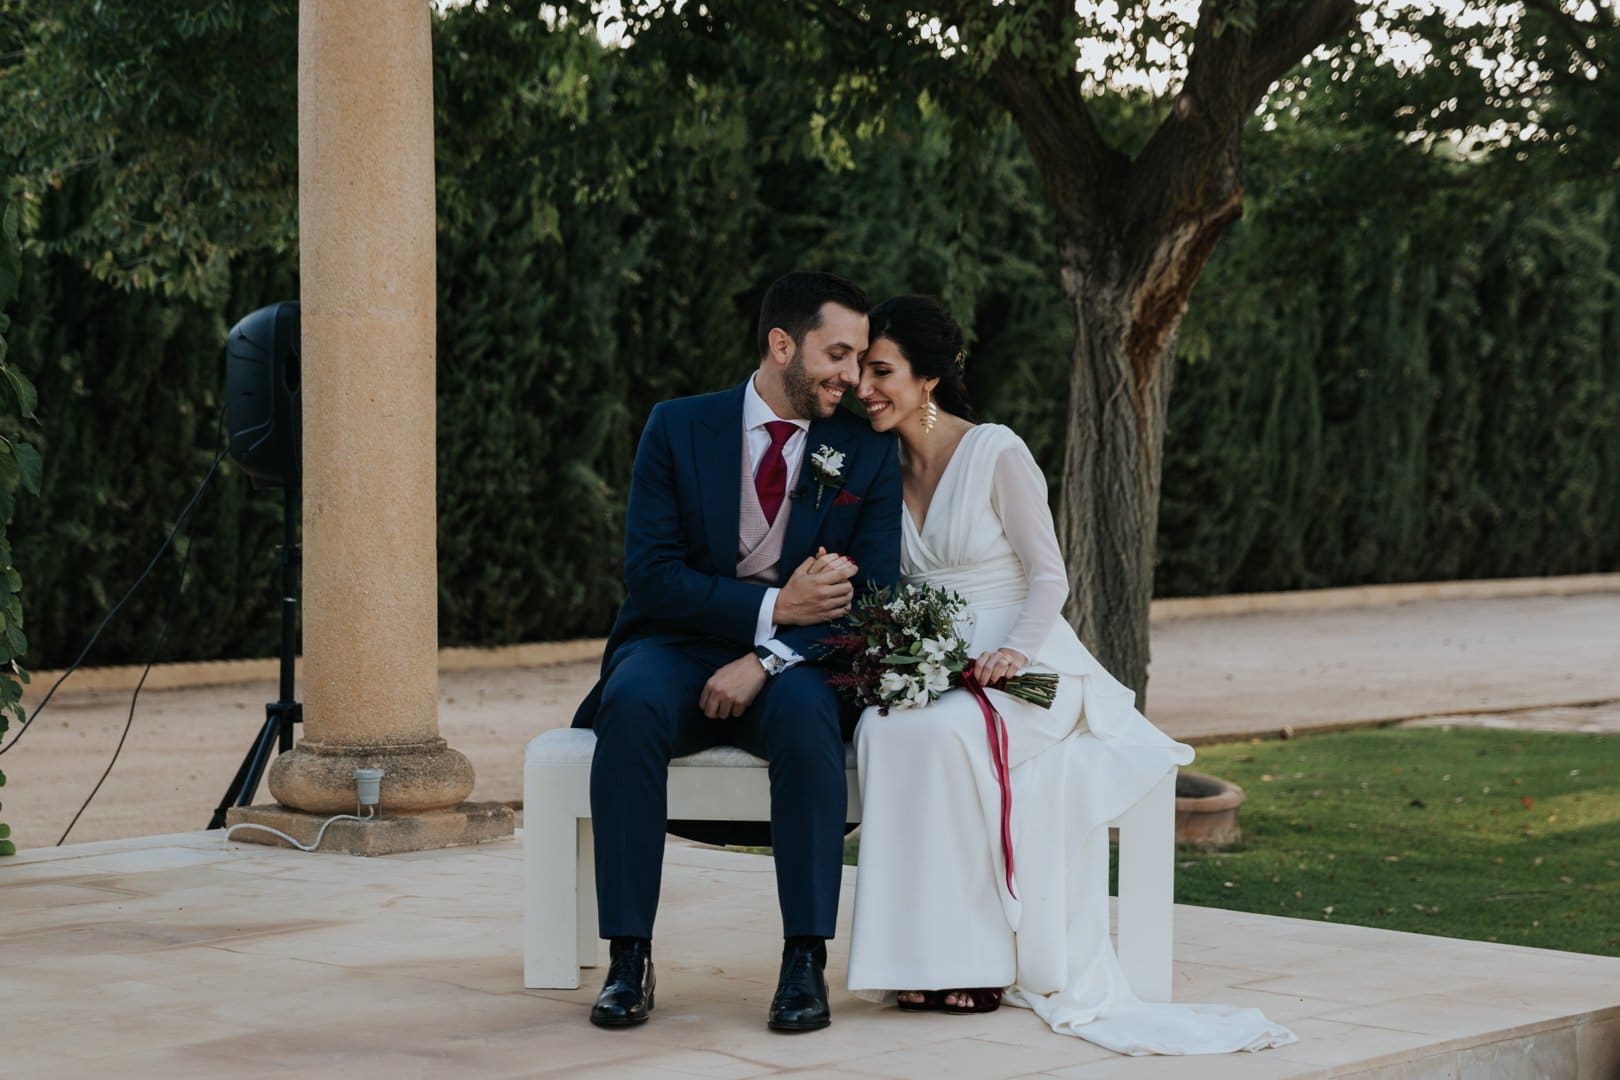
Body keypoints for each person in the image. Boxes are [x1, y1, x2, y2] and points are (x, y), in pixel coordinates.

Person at [845, 295, 1296, 1055]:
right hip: (934, 662)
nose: (865, 389)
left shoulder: (995, 452)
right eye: (860, 372)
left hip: (1031, 669)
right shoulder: (878, 465)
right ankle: (914, 960)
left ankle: (981, 962)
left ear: (927, 379)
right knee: (885, 730)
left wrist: (1014, 652)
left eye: (880, 371)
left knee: (953, 735)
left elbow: (1049, 578)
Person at [571, 271, 902, 1032]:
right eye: (839, 354)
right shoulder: (677, 426)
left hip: (796, 661)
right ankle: (628, 957)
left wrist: (769, 653)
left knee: (807, 719)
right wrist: (769, 606)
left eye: (857, 359)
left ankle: (803, 961)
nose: (851, 377)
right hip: (675, 643)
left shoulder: (864, 453)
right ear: (782, 345)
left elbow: (873, 594)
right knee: (630, 705)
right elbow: (650, 575)